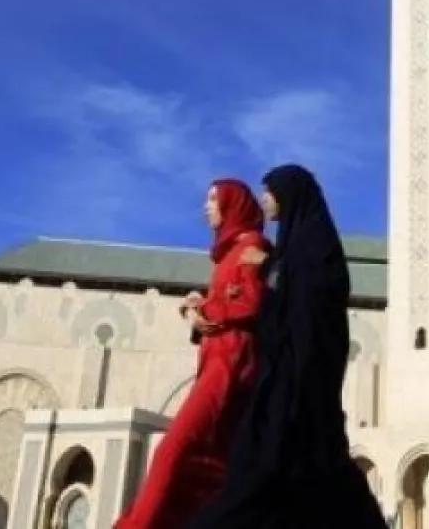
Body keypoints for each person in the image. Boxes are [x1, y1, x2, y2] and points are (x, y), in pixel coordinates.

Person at [185, 164, 388, 529]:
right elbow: (277, 300)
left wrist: (273, 267)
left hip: (303, 378)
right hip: (283, 373)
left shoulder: (316, 245)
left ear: (290, 196)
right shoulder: (289, 249)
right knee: (301, 469)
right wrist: (270, 270)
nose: (264, 200)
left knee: (278, 464)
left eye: (270, 192)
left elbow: (316, 296)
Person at [115, 179, 270, 529]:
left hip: (232, 364)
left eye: (214, 199)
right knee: (210, 460)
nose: (206, 207)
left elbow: (252, 301)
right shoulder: (227, 254)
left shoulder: (252, 245)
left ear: (234, 204)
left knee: (175, 446)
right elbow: (227, 302)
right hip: (217, 360)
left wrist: (207, 310)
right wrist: (196, 309)